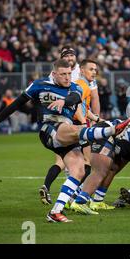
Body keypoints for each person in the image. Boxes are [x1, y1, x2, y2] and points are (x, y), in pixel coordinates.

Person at [0, 59, 130, 223]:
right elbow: (16, 103)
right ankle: (110, 131)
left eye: (69, 74)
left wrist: (64, 101)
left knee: (79, 169)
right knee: (74, 130)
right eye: (63, 74)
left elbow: (73, 98)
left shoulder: (75, 87)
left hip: (66, 134)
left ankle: (55, 212)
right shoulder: (39, 85)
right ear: (54, 73)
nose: (67, 77)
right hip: (49, 129)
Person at [38, 46, 100, 205]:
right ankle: (77, 197)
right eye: (66, 56)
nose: (70, 58)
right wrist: (86, 123)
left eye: (72, 55)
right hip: (70, 124)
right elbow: (80, 106)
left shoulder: (80, 78)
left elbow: (86, 103)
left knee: (64, 162)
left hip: (66, 124)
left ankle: (49, 187)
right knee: (86, 162)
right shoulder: (79, 82)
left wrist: (94, 118)